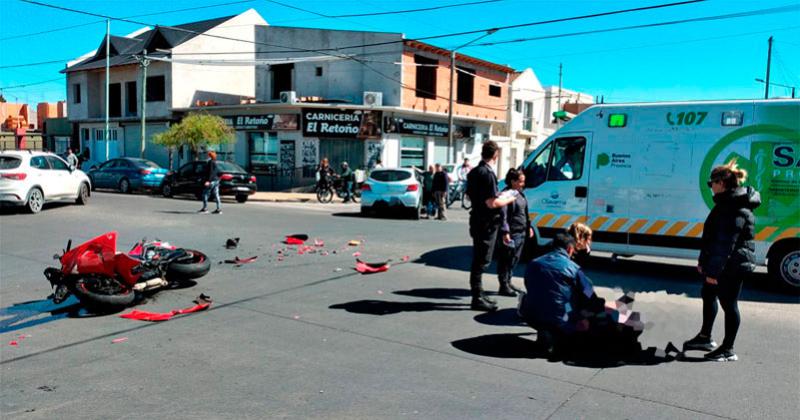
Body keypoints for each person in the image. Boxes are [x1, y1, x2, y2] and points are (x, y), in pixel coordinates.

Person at [520, 233, 644, 359]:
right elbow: (591, 299)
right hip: (562, 319)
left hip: (532, 316)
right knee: (585, 310)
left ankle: (548, 331)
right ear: (570, 249)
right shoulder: (573, 268)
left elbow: (529, 286)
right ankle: (618, 307)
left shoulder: (533, 263)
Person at [683, 160, 760, 362]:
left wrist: (713, 273)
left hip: (731, 266)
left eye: (712, 183)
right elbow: (712, 239)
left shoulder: (734, 208)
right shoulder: (726, 204)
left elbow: (725, 244)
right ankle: (705, 337)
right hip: (722, 263)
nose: (710, 186)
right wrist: (704, 262)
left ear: (722, 183)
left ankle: (728, 349)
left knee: (729, 304)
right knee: (708, 294)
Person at [466, 140, 517, 311]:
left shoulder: (474, 172)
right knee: (482, 260)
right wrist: (509, 198)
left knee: (479, 258)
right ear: (495, 155)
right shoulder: (487, 174)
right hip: (486, 223)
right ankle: (477, 297)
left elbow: (473, 196)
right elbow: (491, 203)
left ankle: (478, 294)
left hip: (478, 219)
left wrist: (497, 196)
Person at [496, 169, 532, 297]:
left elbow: (525, 212)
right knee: (506, 259)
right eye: (521, 181)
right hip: (511, 233)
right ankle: (503, 285)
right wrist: (505, 232)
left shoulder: (519, 194)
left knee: (515, 258)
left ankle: (509, 281)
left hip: (521, 231)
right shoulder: (506, 195)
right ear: (513, 181)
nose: (523, 184)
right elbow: (503, 216)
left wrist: (529, 227)